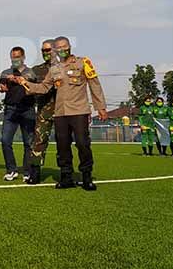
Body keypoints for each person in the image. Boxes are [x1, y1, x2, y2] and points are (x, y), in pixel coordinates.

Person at [17, 36, 108, 191]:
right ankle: (66, 177)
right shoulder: (54, 69)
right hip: (60, 113)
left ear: (69, 46)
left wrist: (101, 107)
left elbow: (94, 84)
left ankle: (87, 176)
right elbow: (44, 87)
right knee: (63, 146)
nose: (61, 50)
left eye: (64, 46)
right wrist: (25, 83)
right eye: (58, 48)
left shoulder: (83, 62)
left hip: (79, 111)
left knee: (82, 144)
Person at [0, 46, 36, 182]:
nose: (15, 59)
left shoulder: (31, 72)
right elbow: (1, 87)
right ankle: (11, 170)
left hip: (28, 109)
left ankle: (27, 171)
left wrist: (20, 79)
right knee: (5, 140)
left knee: (28, 142)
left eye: (18, 56)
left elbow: (35, 87)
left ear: (23, 57)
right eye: (13, 57)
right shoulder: (5, 73)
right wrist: (2, 87)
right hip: (10, 110)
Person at [26, 40, 57, 184]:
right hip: (44, 111)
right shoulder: (36, 70)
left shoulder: (65, 67)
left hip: (64, 110)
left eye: (48, 50)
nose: (46, 53)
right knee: (39, 141)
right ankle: (35, 173)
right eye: (43, 50)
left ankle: (66, 172)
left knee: (65, 142)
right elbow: (27, 85)